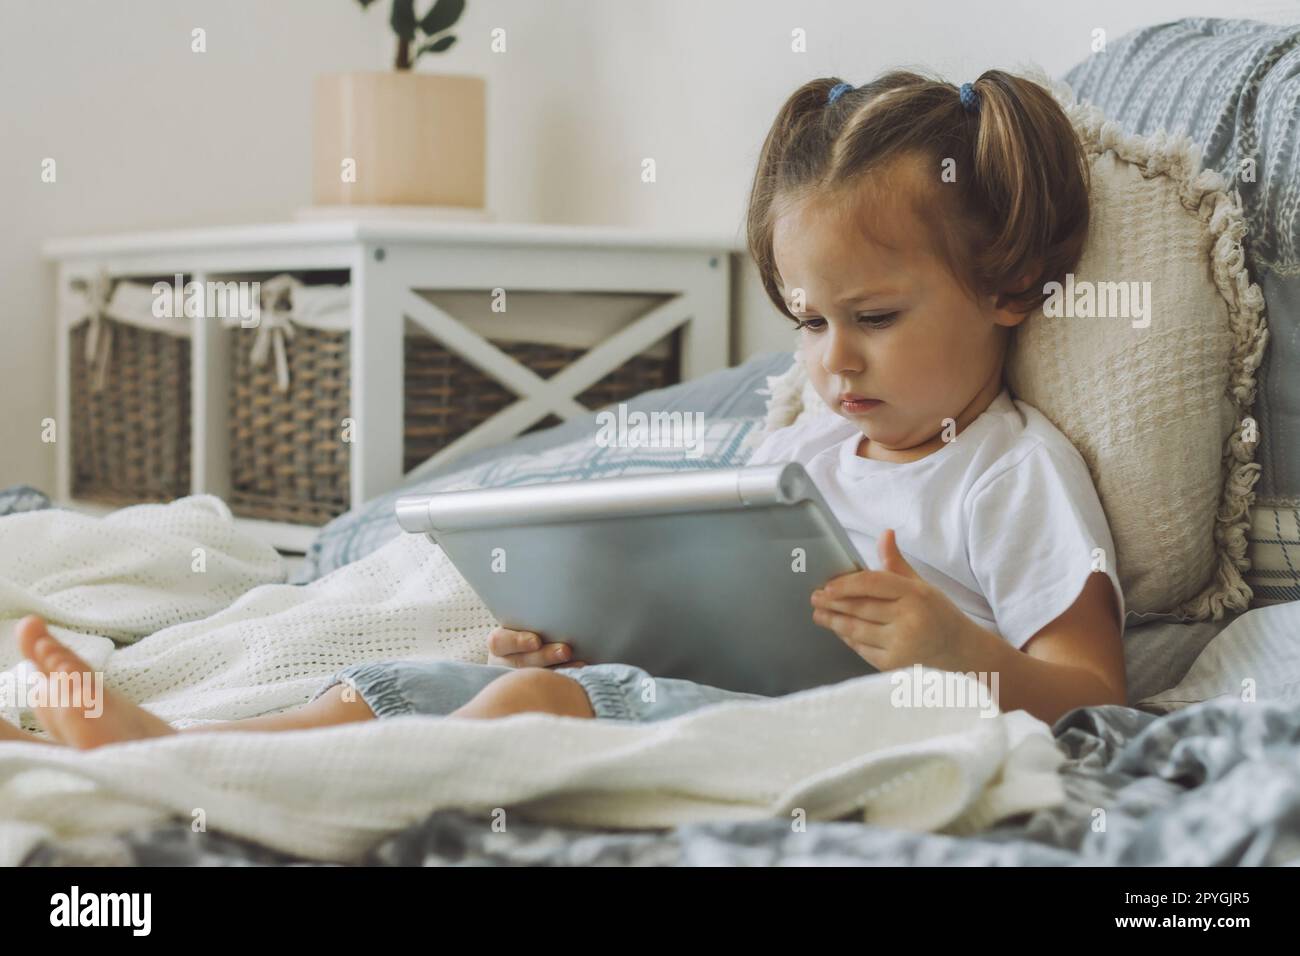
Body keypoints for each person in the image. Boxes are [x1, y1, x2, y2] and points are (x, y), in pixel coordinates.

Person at [0, 70, 1125, 751]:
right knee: (445, 678)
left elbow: (1093, 703)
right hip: (677, 684)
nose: (834, 359)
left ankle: (225, 779)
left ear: (1006, 290)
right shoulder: (806, 439)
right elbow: (708, 605)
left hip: (808, 730)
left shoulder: (1010, 475)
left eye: (873, 314)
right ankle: (188, 745)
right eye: (807, 318)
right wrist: (587, 613)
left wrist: (954, 651)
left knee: (527, 702)